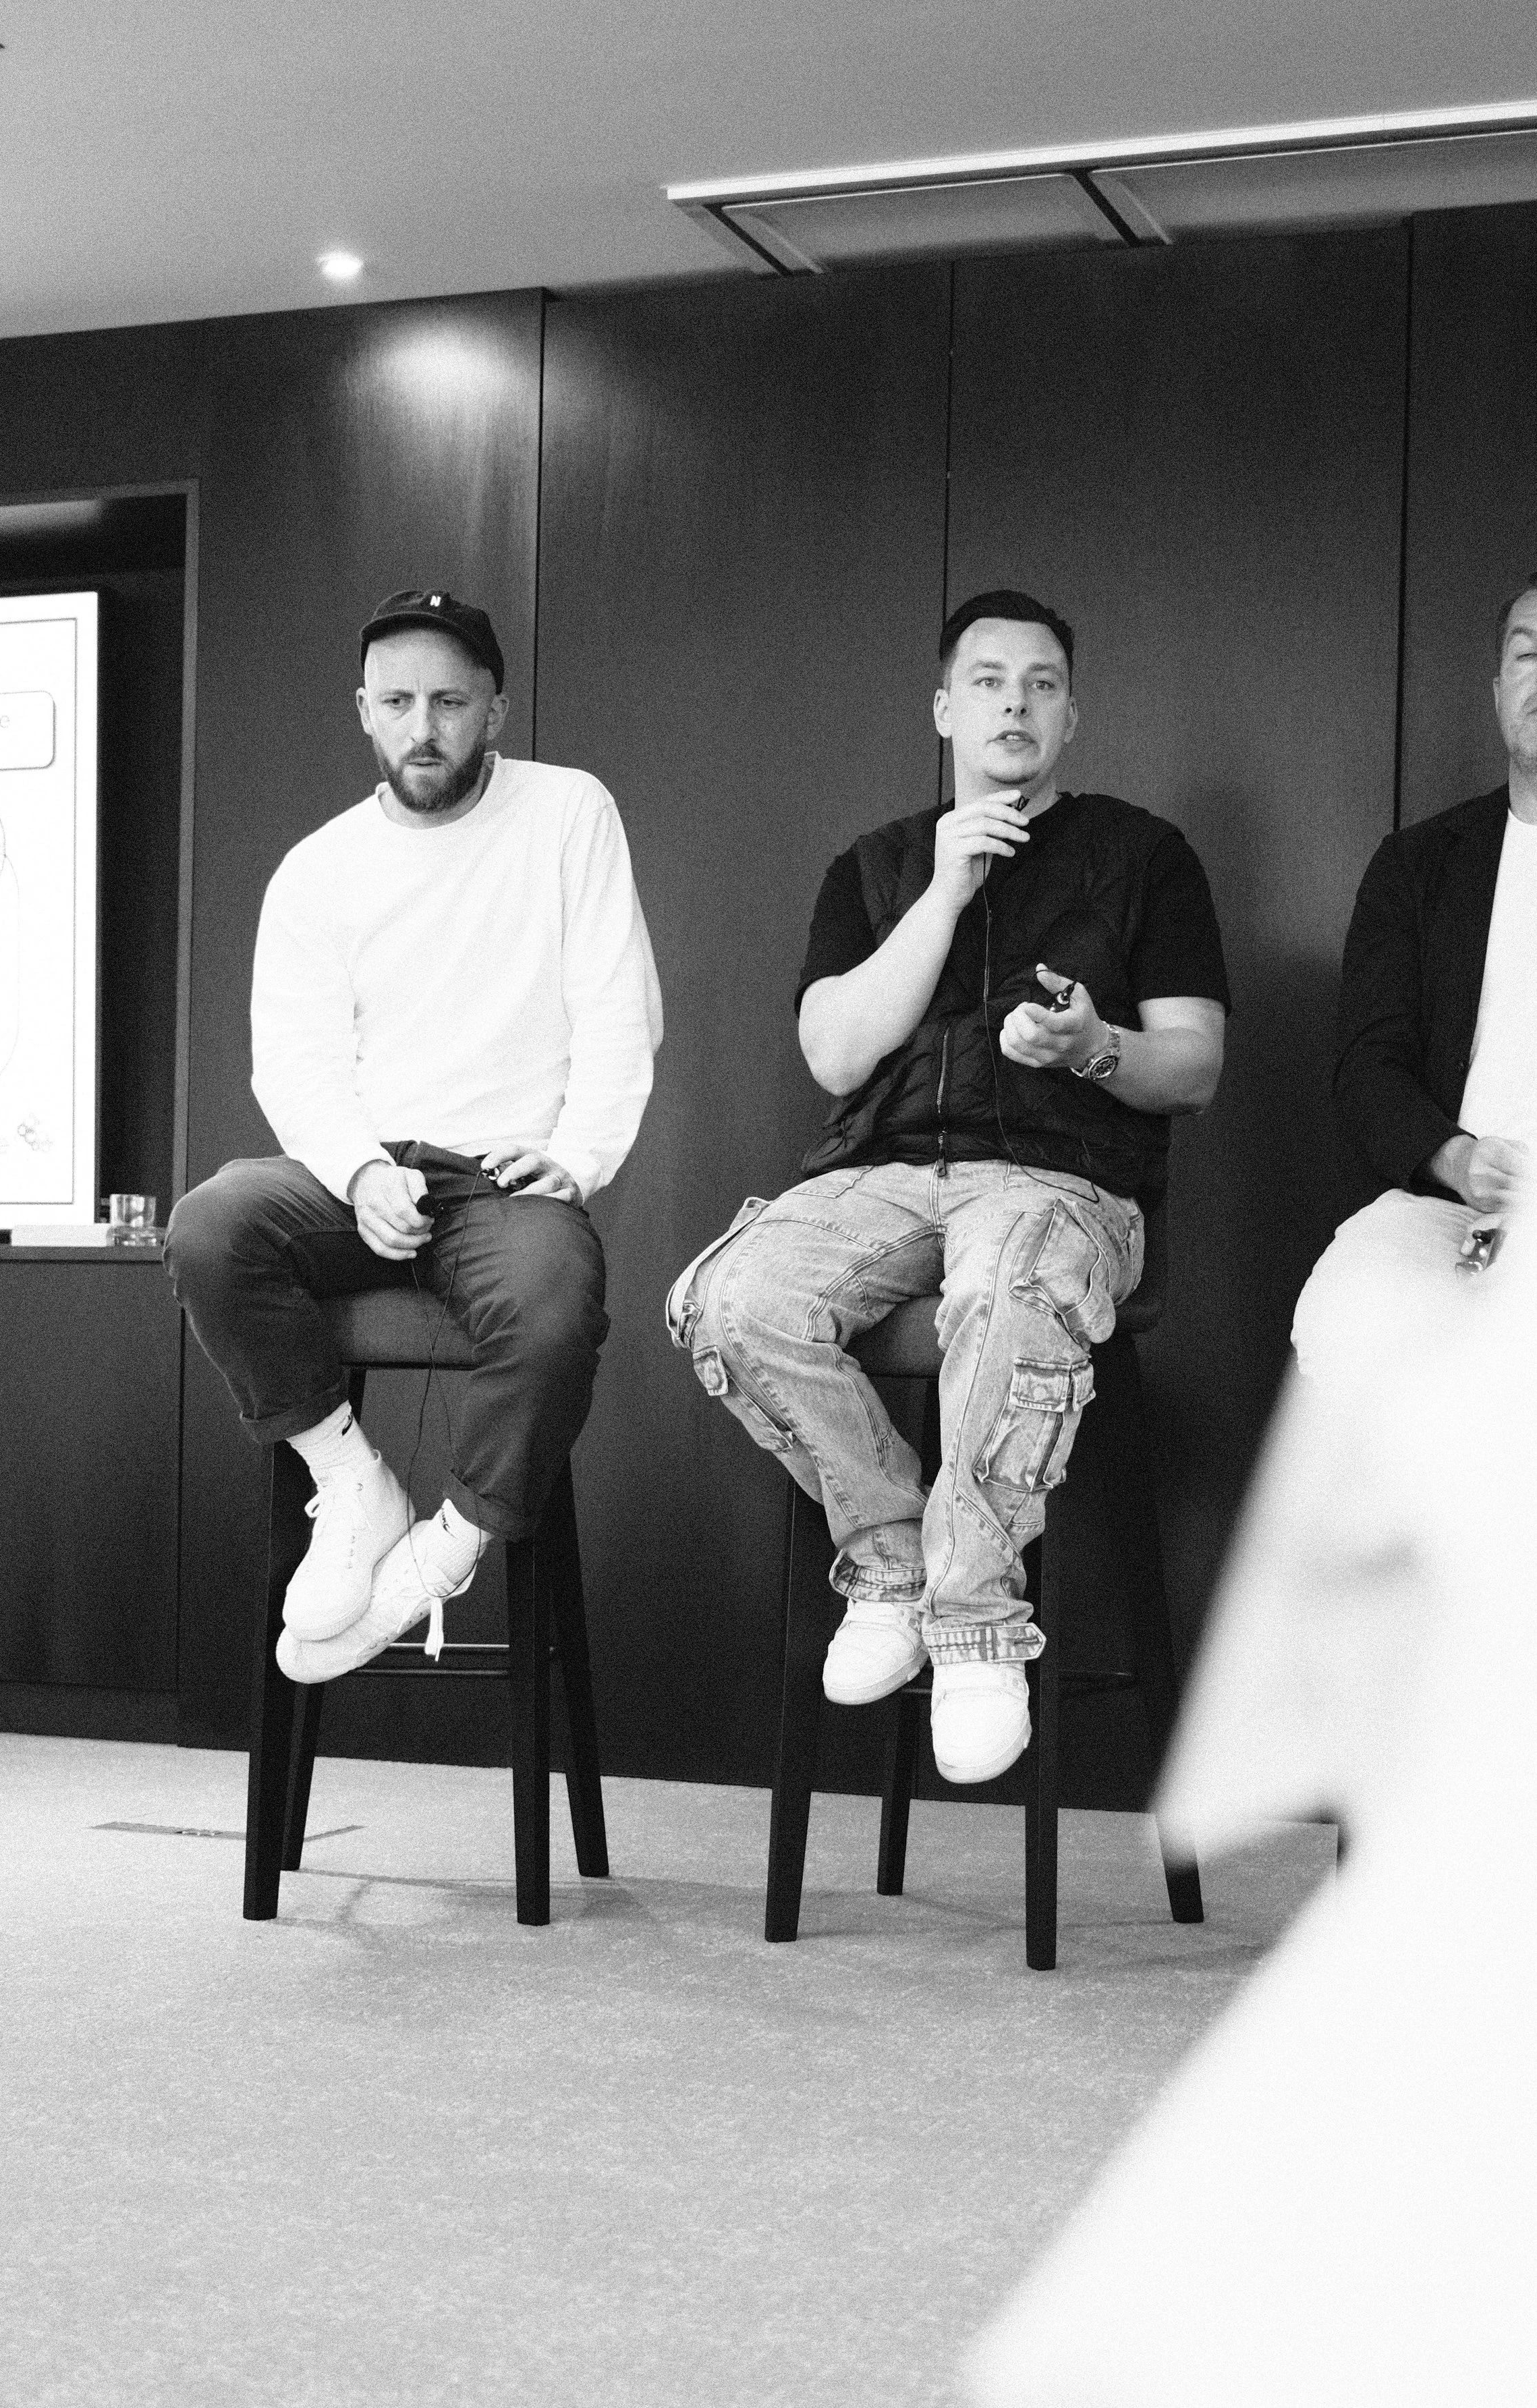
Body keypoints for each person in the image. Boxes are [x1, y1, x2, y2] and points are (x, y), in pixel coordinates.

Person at [667, 589, 1229, 1783]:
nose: (1014, 704)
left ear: (1071, 715)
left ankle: (974, 1627)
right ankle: (889, 1561)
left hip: (1060, 1182)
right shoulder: (876, 865)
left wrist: (1093, 1047)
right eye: (988, 681)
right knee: (728, 1298)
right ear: (943, 709)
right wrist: (944, 891)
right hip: (881, 1178)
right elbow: (834, 1056)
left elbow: (1195, 1067)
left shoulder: (1144, 857)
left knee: (1007, 1285)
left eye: (1040, 684)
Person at [165, 588, 661, 1679]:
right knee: (210, 1227)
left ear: (495, 708)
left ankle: (444, 1552)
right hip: (366, 1173)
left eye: (449, 700)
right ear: (364, 711)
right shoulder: (319, 866)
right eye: (397, 702)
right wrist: (357, 1170)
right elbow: (293, 1058)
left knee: (554, 1310)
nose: (423, 726)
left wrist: (576, 1156)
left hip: (505, 1178)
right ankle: (352, 1483)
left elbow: (619, 1008)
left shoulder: (568, 810)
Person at [1292, 571, 1537, 1381]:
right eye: (1528, 654)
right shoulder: (1419, 865)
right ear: (1497, 690)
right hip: (1453, 1209)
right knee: (1346, 1314)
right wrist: (1457, 1159)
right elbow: (1368, 1069)